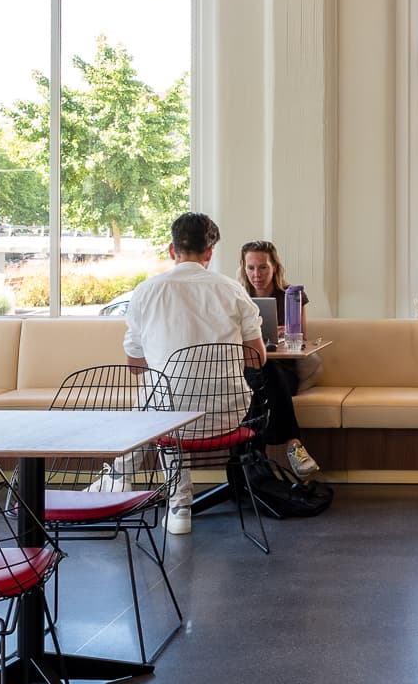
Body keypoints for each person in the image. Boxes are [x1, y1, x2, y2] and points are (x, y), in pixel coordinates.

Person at [123, 212, 264, 535]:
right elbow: (257, 360)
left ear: (172, 250)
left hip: (169, 418)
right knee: (161, 404)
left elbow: (133, 366)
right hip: (227, 414)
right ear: (210, 252)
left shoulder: (146, 291)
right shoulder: (233, 290)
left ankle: (172, 499)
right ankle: (127, 479)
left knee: (155, 400)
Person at [237, 239, 321, 480]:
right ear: (243, 267)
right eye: (250, 267)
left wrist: (286, 332)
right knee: (258, 379)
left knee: (268, 368)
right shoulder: (238, 298)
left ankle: (254, 460)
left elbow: (302, 338)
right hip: (249, 373)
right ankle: (294, 446)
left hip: (284, 371)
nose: (257, 274)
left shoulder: (292, 295)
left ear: (275, 266)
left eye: (263, 267)